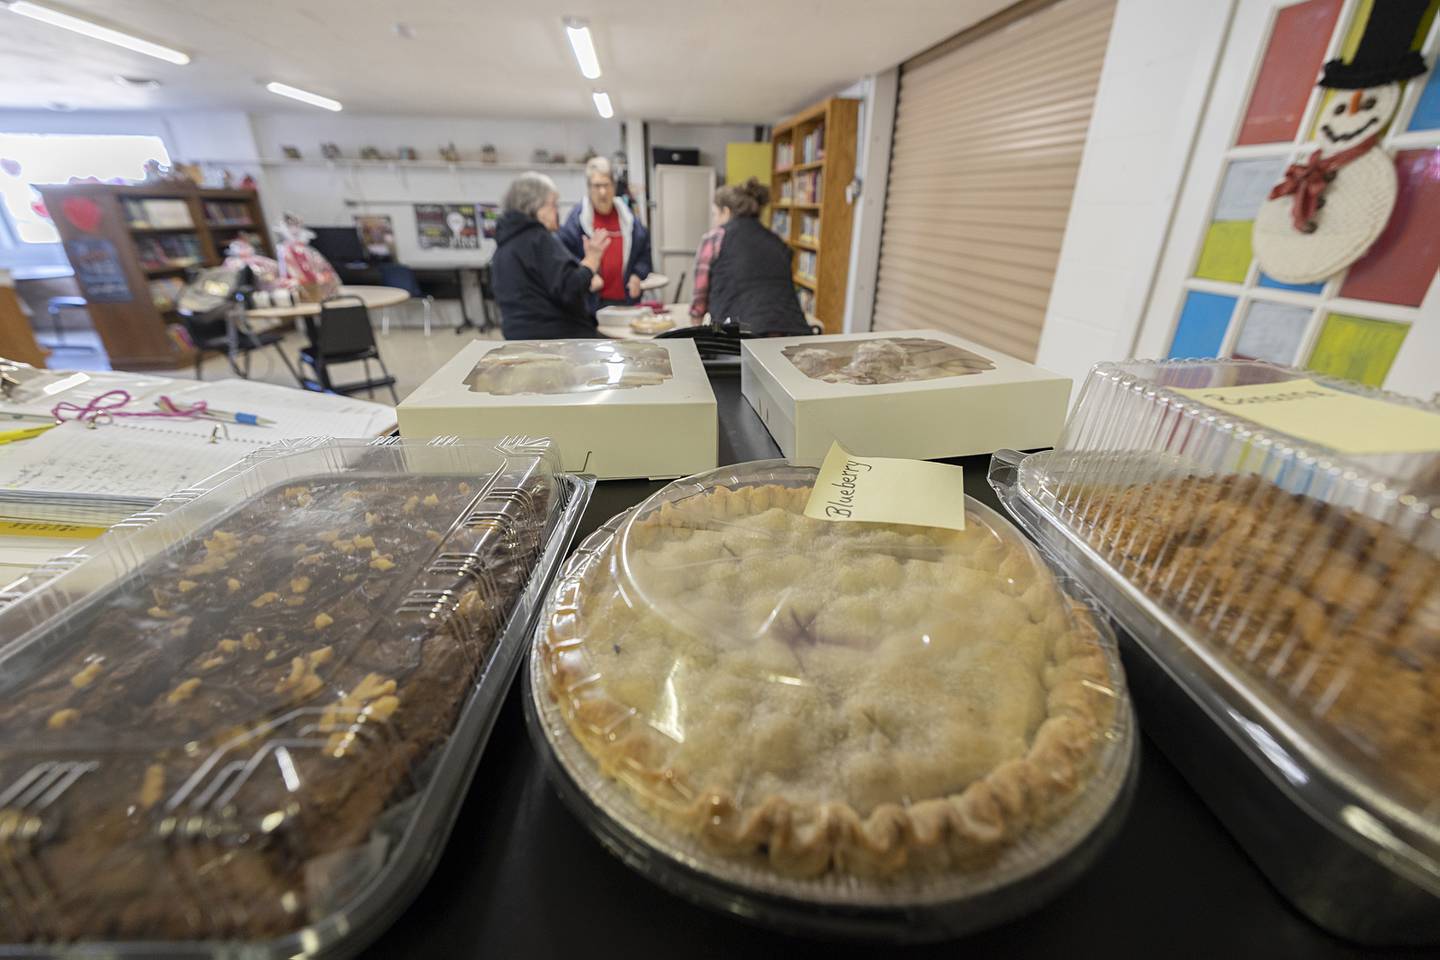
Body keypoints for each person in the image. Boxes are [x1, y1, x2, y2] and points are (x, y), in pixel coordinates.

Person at [491, 171, 609, 340]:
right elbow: (570, 288)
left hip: (519, 340)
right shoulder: (538, 238)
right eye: (553, 204)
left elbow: (545, 287)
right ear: (536, 206)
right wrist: (592, 260)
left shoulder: (504, 246)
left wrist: (583, 270)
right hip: (558, 341)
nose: (557, 211)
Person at [690, 178, 809, 336]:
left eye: (714, 214)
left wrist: (696, 326)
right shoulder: (777, 241)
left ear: (726, 211)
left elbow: (700, 295)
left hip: (737, 335)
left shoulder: (715, 238)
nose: (714, 220)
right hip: (789, 333)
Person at [558, 156, 652, 310]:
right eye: (597, 186)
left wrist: (637, 275)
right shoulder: (576, 221)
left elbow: (644, 253)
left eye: (606, 185)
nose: (602, 192)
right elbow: (564, 257)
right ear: (588, 188)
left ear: (614, 186)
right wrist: (586, 274)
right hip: (591, 306)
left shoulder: (628, 218)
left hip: (626, 303)